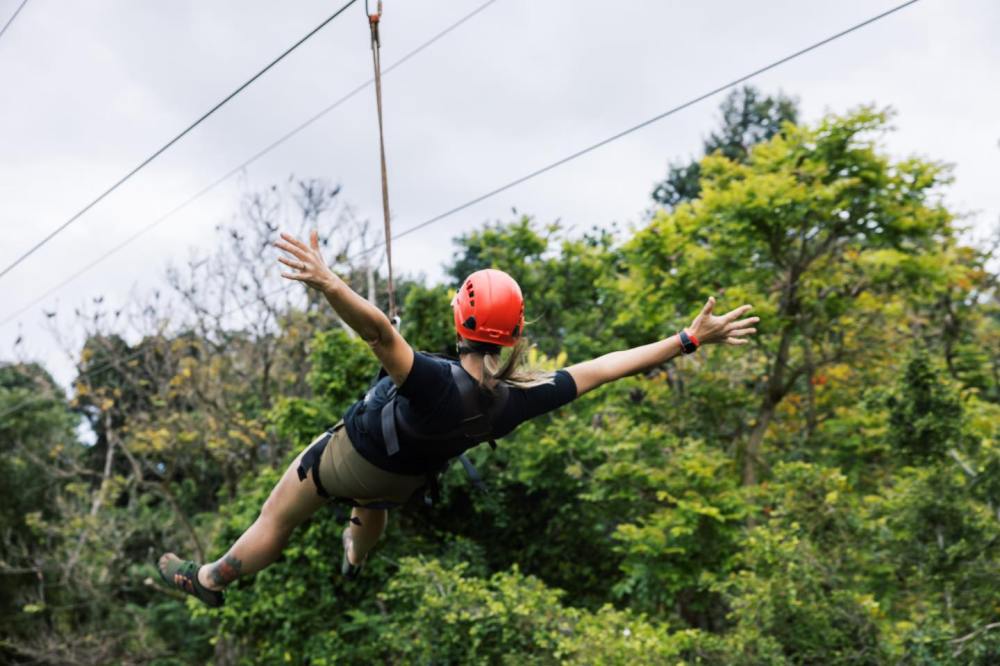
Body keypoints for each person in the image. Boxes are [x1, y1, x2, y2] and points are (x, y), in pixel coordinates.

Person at [157, 230, 759, 607]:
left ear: (461, 323)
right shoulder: (515, 398)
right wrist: (686, 339)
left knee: (280, 515)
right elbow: (605, 368)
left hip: (349, 462)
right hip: (403, 480)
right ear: (515, 333)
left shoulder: (428, 378)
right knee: (378, 506)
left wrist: (329, 283)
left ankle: (209, 579)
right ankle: (356, 555)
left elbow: (377, 330)